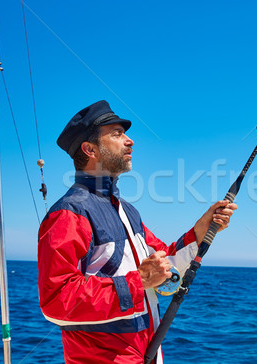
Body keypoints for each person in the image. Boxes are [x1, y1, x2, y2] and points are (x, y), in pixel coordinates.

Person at [38, 100, 237, 364]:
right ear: (90, 149)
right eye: (117, 134)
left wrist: (201, 229)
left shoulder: (128, 212)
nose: (130, 141)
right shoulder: (68, 213)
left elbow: (164, 264)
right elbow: (56, 300)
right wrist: (139, 281)